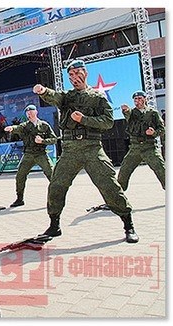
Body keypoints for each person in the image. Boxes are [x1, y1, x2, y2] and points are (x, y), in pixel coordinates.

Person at [32, 59, 139, 243]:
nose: (74, 78)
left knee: (109, 186)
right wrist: (43, 91)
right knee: (56, 186)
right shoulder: (67, 97)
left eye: (77, 73)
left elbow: (107, 122)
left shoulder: (97, 97)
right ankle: (54, 225)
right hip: (70, 151)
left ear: (85, 73)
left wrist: (84, 119)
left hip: (92, 149)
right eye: (71, 75)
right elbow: (55, 97)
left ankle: (128, 224)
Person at [4, 104, 58, 207]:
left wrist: (42, 141)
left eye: (31, 111)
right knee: (20, 176)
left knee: (52, 175)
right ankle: (19, 199)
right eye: (28, 113)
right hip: (28, 155)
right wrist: (11, 128)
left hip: (41, 154)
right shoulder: (25, 126)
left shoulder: (44, 125)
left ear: (36, 112)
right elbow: (17, 128)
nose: (29, 114)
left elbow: (54, 139)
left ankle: (55, 199)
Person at [117, 91, 165, 191]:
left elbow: (162, 129)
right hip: (135, 148)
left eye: (139, 98)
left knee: (162, 171)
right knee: (124, 171)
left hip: (149, 147)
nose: (137, 101)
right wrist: (125, 110)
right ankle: (116, 199)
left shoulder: (152, 113)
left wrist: (154, 133)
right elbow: (127, 115)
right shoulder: (132, 113)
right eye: (135, 99)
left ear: (145, 99)